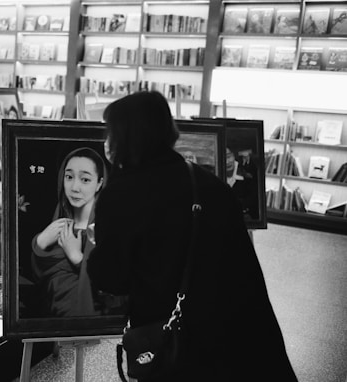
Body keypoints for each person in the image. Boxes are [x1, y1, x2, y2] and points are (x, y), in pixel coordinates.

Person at [86, 91, 298, 381]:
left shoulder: (121, 194)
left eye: (110, 132)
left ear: (124, 136)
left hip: (175, 340)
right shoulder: (208, 183)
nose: (107, 141)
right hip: (240, 337)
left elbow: (111, 277)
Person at [31, 147, 114, 317]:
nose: (75, 187)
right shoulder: (57, 226)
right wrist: (40, 243)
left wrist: (77, 257)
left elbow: (114, 290)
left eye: (85, 180)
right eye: (69, 177)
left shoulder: (107, 231)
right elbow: (41, 280)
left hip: (93, 335)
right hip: (54, 329)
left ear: (99, 183)